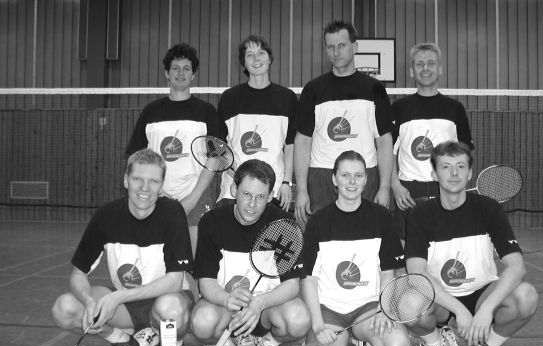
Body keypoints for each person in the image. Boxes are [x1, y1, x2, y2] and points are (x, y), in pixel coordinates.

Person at [404, 141, 538, 346]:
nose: (454, 173)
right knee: (408, 304)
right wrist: (459, 311)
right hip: (440, 299)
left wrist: (486, 309)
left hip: (481, 294)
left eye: (460, 166)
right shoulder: (420, 214)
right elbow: (416, 274)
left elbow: (517, 266)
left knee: (526, 296)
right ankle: (435, 344)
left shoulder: (488, 209)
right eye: (446, 167)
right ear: (434, 173)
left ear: (470, 173)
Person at [51, 149, 193, 346]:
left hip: (167, 298)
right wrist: (88, 301)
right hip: (127, 307)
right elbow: (78, 275)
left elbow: (175, 281)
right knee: (64, 309)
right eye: (138, 179)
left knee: (169, 309)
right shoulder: (106, 216)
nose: (145, 188)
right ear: (126, 180)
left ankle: (174, 345)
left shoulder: (172, 212)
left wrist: (118, 297)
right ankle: (122, 340)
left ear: (161, 186)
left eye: (153, 181)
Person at [190, 159, 310, 346]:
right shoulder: (211, 222)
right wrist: (227, 299)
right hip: (226, 309)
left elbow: (292, 285)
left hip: (266, 310)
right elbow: (205, 282)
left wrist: (259, 303)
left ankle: (269, 343)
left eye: (261, 197)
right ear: (234, 189)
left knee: (299, 320)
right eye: (246, 194)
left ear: (271, 196)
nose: (252, 204)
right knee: (201, 322)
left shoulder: (284, 224)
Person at [301, 151, 410, 346]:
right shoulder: (318, 221)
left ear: (366, 179)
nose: (352, 182)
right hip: (329, 312)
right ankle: (341, 344)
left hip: (367, 310)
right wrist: (318, 327)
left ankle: (366, 343)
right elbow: (309, 279)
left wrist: (383, 308)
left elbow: (388, 272)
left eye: (358, 176)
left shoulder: (382, 217)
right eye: (345, 175)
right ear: (334, 179)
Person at [126, 42, 224, 261]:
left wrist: (193, 198)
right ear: (166, 73)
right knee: (158, 262)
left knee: (199, 262)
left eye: (186, 68)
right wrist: (158, 191)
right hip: (156, 196)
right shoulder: (151, 112)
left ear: (193, 74)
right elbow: (135, 157)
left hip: (196, 196)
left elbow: (216, 157)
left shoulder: (206, 112)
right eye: (175, 68)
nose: (181, 73)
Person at [294, 20, 394, 229]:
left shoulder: (374, 89)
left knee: (365, 236)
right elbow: (302, 141)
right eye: (330, 46)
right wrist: (302, 190)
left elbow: (384, 140)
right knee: (323, 238)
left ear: (355, 47)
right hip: (321, 176)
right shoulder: (313, 89)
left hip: (365, 175)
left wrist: (384, 187)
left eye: (341, 45)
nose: (336, 52)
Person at [391, 43, 474, 236]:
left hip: (444, 188)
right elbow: (388, 152)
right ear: (412, 70)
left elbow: (465, 155)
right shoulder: (398, 108)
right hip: (408, 192)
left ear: (440, 68)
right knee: (407, 249)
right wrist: (396, 186)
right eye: (419, 64)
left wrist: (457, 186)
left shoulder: (455, 109)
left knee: (445, 247)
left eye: (431, 63)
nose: (425, 68)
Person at [216, 35, 297, 215]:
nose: (256, 58)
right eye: (250, 54)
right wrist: (236, 174)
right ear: (244, 63)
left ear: (269, 58)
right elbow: (220, 148)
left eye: (261, 52)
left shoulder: (287, 98)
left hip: (274, 189)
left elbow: (290, 146)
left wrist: (286, 182)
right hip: (233, 189)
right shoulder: (229, 98)